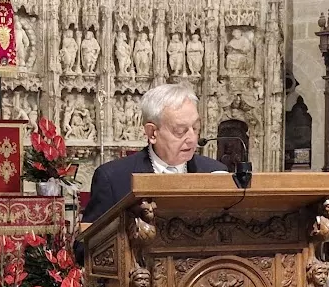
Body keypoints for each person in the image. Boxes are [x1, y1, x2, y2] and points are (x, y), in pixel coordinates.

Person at [80, 83, 226, 229]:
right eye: (180, 131)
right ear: (152, 133)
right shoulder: (113, 179)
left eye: (195, 128)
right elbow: (86, 246)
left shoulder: (216, 173)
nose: (192, 138)